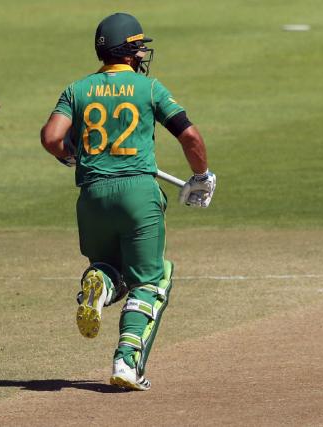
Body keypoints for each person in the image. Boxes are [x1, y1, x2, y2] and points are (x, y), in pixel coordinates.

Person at [40, 12, 216, 390]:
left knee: (109, 266)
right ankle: (126, 362)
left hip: (92, 196)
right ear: (131, 51)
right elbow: (190, 137)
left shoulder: (77, 89)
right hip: (137, 193)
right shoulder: (149, 88)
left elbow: (52, 138)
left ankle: (99, 285)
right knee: (152, 280)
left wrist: (72, 156)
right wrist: (201, 176)